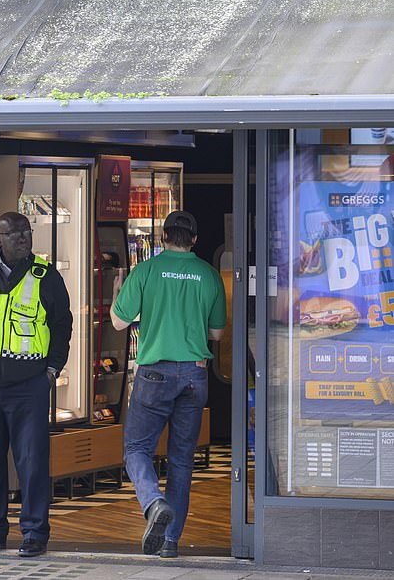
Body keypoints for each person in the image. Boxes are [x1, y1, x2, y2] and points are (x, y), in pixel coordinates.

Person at [110, 210, 226, 558]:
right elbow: (217, 333)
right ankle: (170, 542)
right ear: (194, 240)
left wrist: (120, 293)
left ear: (162, 238)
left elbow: (118, 322)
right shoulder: (209, 274)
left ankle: (153, 502)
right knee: (181, 461)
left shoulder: (145, 271)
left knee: (136, 450)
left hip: (154, 374)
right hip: (194, 374)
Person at [0, 211, 72, 558]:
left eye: (26, 232)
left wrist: (51, 370)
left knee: (32, 462)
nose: (23, 238)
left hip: (28, 384)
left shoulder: (46, 277)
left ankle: (35, 532)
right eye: (14, 234)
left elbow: (61, 324)